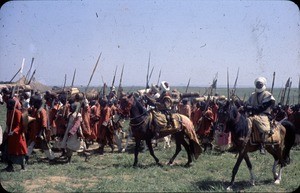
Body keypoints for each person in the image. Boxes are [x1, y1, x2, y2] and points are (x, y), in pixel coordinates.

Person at [243, 77, 275, 155]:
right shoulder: (253, 95)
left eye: (260, 84)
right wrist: (244, 106)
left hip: (263, 114)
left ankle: (262, 145)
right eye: (257, 84)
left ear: (263, 84)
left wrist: (249, 108)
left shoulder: (268, 95)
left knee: (263, 129)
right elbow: (248, 104)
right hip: (253, 114)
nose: (259, 85)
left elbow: (261, 107)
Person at [2, 98, 28, 172]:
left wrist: (13, 131)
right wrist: (7, 131)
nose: (7, 106)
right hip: (10, 136)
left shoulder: (17, 113)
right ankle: (10, 166)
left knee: (19, 151)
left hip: (17, 136)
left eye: (8, 104)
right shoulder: (10, 112)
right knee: (9, 151)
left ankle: (23, 167)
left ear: (11, 105)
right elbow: (8, 123)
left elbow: (19, 125)